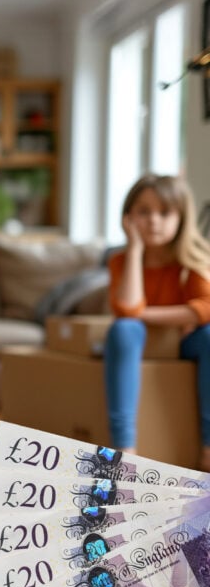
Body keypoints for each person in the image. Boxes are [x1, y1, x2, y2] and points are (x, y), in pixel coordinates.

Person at [104, 173, 210, 470]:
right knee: (124, 329)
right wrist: (135, 251)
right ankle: (125, 449)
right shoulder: (120, 262)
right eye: (143, 212)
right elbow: (127, 308)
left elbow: (207, 307)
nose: (154, 221)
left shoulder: (192, 261)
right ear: (128, 218)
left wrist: (145, 314)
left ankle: (208, 449)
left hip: (183, 345)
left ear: (181, 217)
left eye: (164, 212)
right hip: (138, 342)